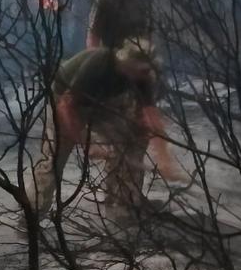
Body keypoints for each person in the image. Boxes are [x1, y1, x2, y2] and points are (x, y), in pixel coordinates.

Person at [87, 0, 187, 184]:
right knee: (119, 132)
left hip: (139, 66)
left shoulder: (144, 2)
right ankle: (117, 194)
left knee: (146, 123)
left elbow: (148, 37)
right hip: (113, 68)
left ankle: (158, 170)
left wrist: (152, 68)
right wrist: (95, 68)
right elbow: (93, 36)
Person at [32, 38, 161, 218]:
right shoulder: (100, 62)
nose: (144, 75)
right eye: (141, 70)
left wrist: (162, 155)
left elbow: (148, 114)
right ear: (128, 61)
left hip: (102, 102)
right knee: (55, 158)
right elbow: (66, 106)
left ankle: (122, 205)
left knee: (129, 140)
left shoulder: (142, 75)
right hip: (66, 99)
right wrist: (86, 145)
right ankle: (32, 214)